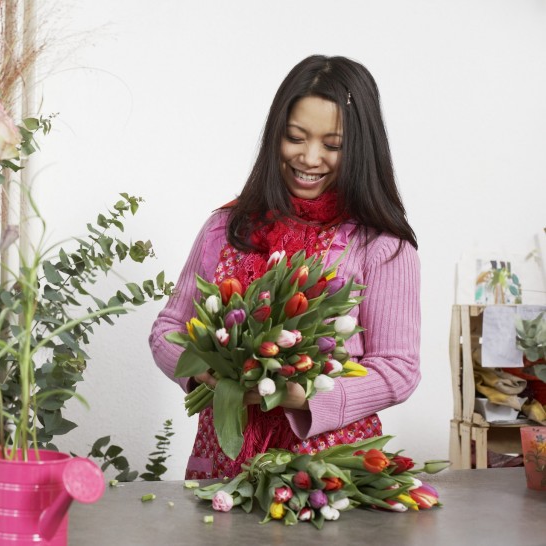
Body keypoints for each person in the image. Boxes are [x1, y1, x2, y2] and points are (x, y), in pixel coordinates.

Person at [148, 55, 420, 480]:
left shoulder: (380, 244)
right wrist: (208, 372)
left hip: (326, 475)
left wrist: (301, 396)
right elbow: (168, 327)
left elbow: (400, 368)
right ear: (276, 135)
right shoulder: (227, 226)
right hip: (222, 471)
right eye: (295, 137)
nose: (310, 157)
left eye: (333, 145)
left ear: (361, 149)